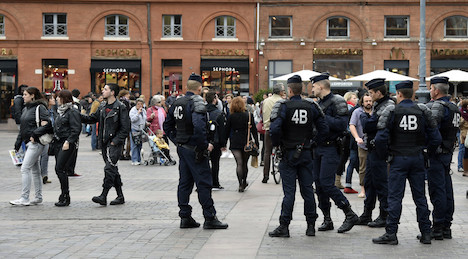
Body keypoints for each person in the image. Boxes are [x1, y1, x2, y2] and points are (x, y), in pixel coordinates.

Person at [372, 80, 441, 245]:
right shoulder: (422, 110)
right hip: (417, 157)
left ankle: (391, 233)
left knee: (395, 197)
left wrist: (385, 155)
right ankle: (425, 233)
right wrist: (426, 151)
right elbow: (436, 137)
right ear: (413, 94)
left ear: (399, 94)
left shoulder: (392, 111)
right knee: (420, 197)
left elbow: (380, 138)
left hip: (397, 158)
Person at [163, 73, 228, 229]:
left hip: (183, 148)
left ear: (187, 87)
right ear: (200, 88)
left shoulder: (178, 102)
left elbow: (167, 126)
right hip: (195, 149)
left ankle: (185, 216)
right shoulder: (197, 102)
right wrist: (204, 145)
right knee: (204, 182)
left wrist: (177, 140)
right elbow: (199, 126)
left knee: (184, 183)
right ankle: (210, 217)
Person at [268, 75, 329, 237]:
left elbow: (274, 129)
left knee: (289, 192)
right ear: (302, 89)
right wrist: (313, 142)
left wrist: (278, 143)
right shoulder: (312, 106)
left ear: (288, 90)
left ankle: (284, 226)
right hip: (307, 153)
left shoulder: (283, 106)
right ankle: (310, 226)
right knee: (308, 190)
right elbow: (324, 129)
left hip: (288, 153)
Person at [310, 73, 358, 233]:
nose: (312, 89)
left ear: (321, 86)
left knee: (326, 183)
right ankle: (327, 219)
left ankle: (349, 213)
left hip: (331, 147)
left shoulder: (337, 101)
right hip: (318, 147)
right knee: (319, 184)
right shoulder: (318, 103)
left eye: (314, 86)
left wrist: (322, 117)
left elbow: (342, 124)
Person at [80, 83, 130, 206]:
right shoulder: (102, 106)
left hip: (114, 144)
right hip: (104, 143)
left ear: (112, 92)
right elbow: (92, 118)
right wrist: (77, 116)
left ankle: (104, 195)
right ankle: (120, 196)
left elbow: (125, 127)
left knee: (109, 169)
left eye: (106, 89)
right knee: (113, 170)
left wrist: (115, 141)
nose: (103, 91)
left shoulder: (120, 107)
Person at [424, 76, 459, 240]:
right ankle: (446, 226)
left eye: (431, 88)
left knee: (437, 191)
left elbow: (432, 132)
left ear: (436, 91)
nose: (430, 91)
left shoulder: (438, 106)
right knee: (446, 191)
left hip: (437, 155)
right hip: (447, 152)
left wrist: (428, 150)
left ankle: (437, 227)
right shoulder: (453, 107)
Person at [357, 78, 394, 227]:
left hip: (380, 150)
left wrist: (366, 120)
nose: (370, 96)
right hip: (373, 149)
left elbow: (371, 125)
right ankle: (367, 213)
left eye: (371, 93)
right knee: (369, 183)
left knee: (381, 184)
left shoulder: (388, 106)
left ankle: (384, 215)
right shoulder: (380, 105)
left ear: (379, 92)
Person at [10, 87, 52, 206]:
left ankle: (24, 198)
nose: (23, 96)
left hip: (36, 143)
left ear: (32, 95)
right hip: (28, 143)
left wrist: (35, 135)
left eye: (25, 94)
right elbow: (23, 128)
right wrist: (17, 144)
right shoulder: (26, 109)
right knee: (35, 171)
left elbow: (47, 125)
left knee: (25, 168)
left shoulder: (40, 108)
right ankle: (38, 197)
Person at [52, 90, 81, 207]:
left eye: (59, 97)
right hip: (58, 143)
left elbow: (76, 129)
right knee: (60, 169)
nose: (57, 99)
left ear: (64, 98)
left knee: (60, 168)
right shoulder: (60, 111)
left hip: (67, 143)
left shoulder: (72, 111)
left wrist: (69, 141)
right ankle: (64, 194)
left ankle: (65, 195)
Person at [224, 96, 259, 192]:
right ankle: (244, 181)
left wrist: (223, 144)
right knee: (244, 163)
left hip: (235, 141)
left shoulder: (231, 116)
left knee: (239, 163)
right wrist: (257, 143)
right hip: (246, 141)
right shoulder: (248, 115)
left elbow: (226, 131)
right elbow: (254, 131)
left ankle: (240, 184)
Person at [349, 93, 373, 198]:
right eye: (366, 101)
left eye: (370, 101)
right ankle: (363, 189)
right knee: (363, 167)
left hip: (375, 144)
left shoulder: (376, 111)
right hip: (362, 144)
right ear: (362, 102)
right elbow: (352, 125)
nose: (368, 103)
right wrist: (357, 137)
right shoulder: (357, 112)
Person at [262, 83, 285, 183]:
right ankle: (283, 171)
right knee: (283, 150)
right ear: (280, 91)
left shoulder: (265, 101)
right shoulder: (282, 101)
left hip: (268, 128)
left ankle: (265, 175)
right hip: (280, 129)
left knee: (267, 152)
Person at [206, 91, 227, 189]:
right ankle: (215, 182)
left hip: (204, 140)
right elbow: (222, 130)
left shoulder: (201, 111)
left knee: (203, 162)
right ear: (214, 100)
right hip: (216, 141)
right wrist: (223, 144)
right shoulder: (219, 113)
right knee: (215, 162)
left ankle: (204, 182)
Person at [39, 93, 56, 185]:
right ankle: (41, 175)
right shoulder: (44, 111)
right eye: (52, 98)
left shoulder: (52, 111)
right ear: (48, 100)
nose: (54, 99)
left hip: (49, 136)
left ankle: (44, 175)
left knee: (45, 156)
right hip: (43, 136)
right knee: (42, 156)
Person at [129, 98, 147, 165]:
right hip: (135, 129)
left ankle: (139, 159)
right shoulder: (133, 110)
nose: (140, 105)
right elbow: (132, 119)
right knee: (134, 145)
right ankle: (134, 160)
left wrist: (146, 122)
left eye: (141, 104)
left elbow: (145, 118)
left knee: (140, 144)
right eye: (138, 104)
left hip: (141, 129)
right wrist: (138, 113)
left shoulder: (144, 111)